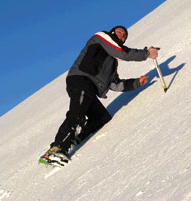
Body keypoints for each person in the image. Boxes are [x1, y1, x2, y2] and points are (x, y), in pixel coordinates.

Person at [40, 25, 158, 165]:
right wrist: (146, 53)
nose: (122, 36)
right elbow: (124, 54)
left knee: (102, 117)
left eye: (124, 36)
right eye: (120, 32)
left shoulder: (112, 61)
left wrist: (137, 83)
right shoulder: (101, 37)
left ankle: (76, 137)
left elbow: (114, 84)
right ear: (112, 32)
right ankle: (55, 149)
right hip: (80, 79)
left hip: (90, 89)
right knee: (77, 113)